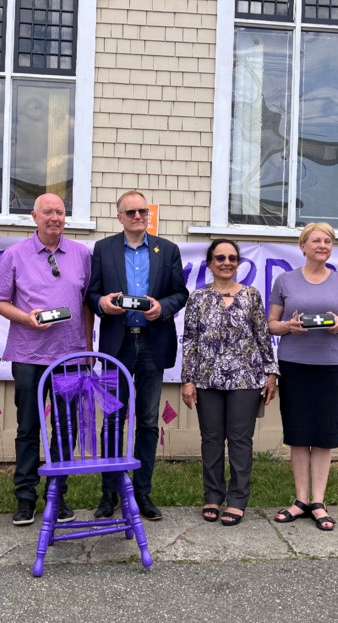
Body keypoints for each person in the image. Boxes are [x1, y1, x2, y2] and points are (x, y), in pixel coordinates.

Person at [86, 190, 189, 521]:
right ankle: (109, 493)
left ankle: (142, 492)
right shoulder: (103, 249)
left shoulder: (167, 250)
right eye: (130, 212)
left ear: (149, 215)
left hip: (152, 343)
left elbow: (180, 294)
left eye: (142, 211)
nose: (137, 216)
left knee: (147, 421)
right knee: (113, 419)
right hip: (118, 344)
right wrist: (102, 304)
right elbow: (91, 293)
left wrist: (162, 308)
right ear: (119, 217)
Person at [0, 193, 93, 527]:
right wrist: (25, 318)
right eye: (48, 212)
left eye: (60, 212)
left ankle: (57, 494)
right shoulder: (14, 255)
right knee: (28, 427)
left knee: (66, 429)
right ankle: (25, 498)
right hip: (29, 356)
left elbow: (87, 303)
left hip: (71, 357)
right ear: (34, 217)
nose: (55, 217)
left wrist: (88, 346)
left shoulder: (81, 254)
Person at [267, 222, 338, 532]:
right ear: (303, 246)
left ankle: (319, 502)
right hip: (294, 363)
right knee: (298, 433)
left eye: (328, 241)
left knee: (323, 435)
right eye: (316, 240)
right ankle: (300, 500)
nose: (322, 245)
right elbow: (271, 324)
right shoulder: (285, 281)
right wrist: (288, 326)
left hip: (330, 366)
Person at [181, 239, 278, 526]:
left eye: (232, 258)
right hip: (207, 379)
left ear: (238, 263)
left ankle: (237, 500)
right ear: (210, 263)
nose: (226, 262)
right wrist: (188, 379)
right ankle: (212, 495)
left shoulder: (251, 295)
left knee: (239, 440)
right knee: (211, 440)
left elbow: (263, 336)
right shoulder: (197, 298)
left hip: (246, 380)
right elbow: (190, 341)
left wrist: (271, 373)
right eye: (220, 257)